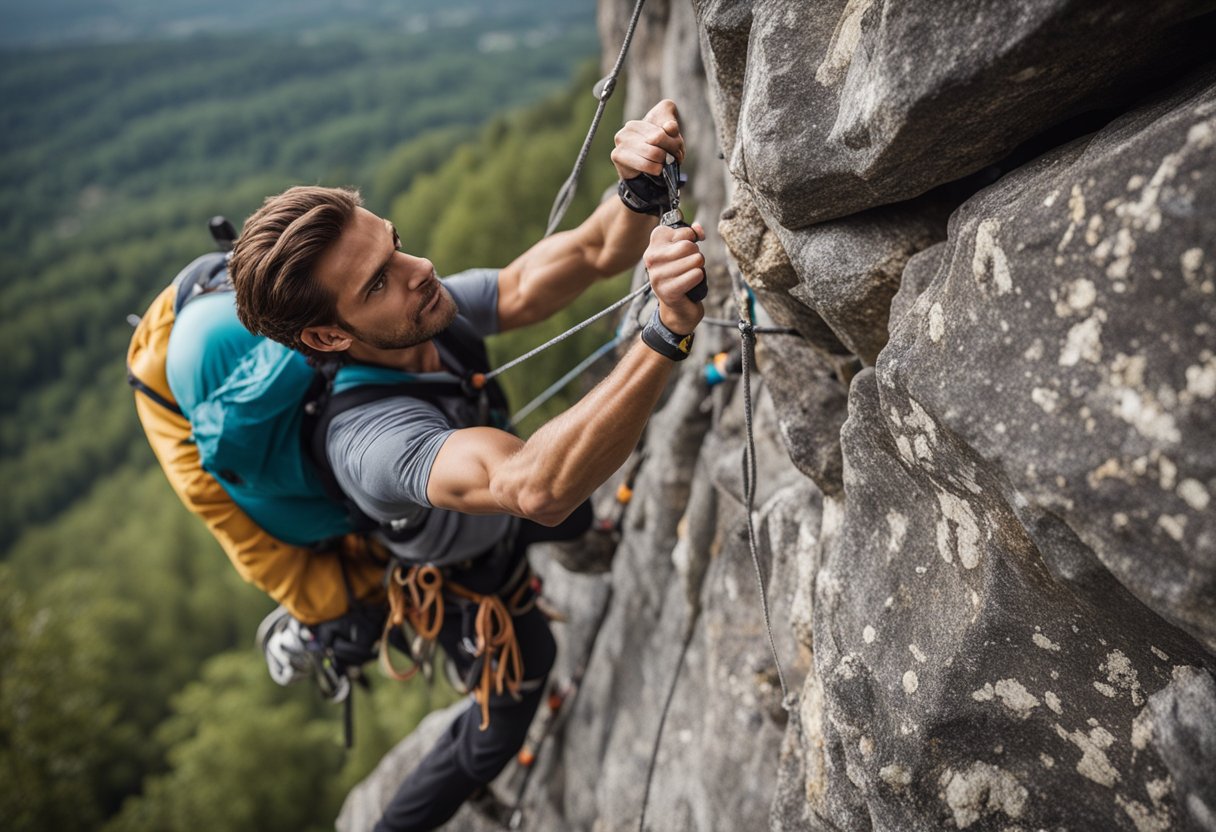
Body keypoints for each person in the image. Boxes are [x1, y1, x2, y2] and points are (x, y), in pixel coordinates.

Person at [222, 98, 705, 831]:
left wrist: (637, 189)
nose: (420, 271)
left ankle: (586, 540)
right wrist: (666, 330)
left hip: (495, 509)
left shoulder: (422, 316)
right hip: (462, 576)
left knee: (573, 502)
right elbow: (530, 484)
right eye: (378, 281)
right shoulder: (371, 439)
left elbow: (570, 262)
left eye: (396, 246)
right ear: (328, 334)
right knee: (507, 706)